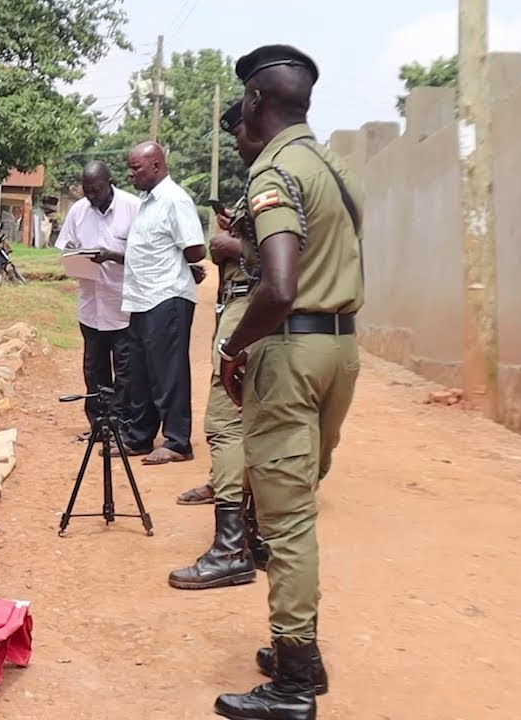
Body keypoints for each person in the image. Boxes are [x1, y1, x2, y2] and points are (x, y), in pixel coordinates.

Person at [213, 45, 363, 719]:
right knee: (299, 499)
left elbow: (277, 286)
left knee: (287, 519)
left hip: (292, 353)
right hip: (340, 350)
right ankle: (302, 656)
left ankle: (295, 679)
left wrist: (233, 346)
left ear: (254, 100)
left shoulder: (275, 171)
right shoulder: (333, 166)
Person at [168, 100, 272, 591]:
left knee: (225, 423)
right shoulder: (291, 172)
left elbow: (286, 255)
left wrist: (235, 247)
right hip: (256, 307)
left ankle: (233, 548)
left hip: (253, 305)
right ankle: (257, 535)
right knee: (258, 423)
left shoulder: (275, 177)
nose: (236, 144)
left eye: (239, 133)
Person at [93, 142, 206, 465]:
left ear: (156, 165)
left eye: (136, 168)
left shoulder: (174, 199)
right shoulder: (147, 202)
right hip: (142, 298)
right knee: (139, 373)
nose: (130, 175)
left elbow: (195, 250)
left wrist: (181, 264)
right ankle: (139, 437)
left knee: (168, 372)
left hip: (167, 296)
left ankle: (177, 442)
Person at [55, 161, 142, 444]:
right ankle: (99, 426)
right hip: (91, 306)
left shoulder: (133, 208)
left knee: (126, 373)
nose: (92, 195)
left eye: (97, 189)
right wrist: (76, 258)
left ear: (109, 182)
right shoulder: (78, 211)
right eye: (87, 190)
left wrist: (112, 256)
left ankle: (122, 427)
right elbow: (67, 248)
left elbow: (145, 256)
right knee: (94, 371)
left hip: (123, 306)